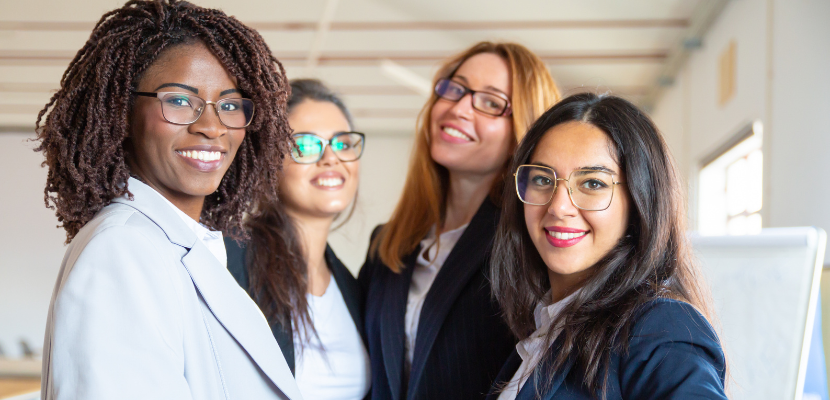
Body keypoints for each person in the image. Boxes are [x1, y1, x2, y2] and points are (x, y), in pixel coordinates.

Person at [36, 1, 301, 399]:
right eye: (179, 100)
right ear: (120, 113)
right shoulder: (122, 251)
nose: (211, 127)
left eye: (229, 105)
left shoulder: (176, 244)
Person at [486, 93, 728, 399]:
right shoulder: (543, 329)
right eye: (543, 179)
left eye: (592, 183)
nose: (559, 207)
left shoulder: (660, 329)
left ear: (640, 201)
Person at [359, 41, 561, 400]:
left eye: (491, 102)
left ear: (524, 133)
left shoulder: (530, 246)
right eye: (455, 89)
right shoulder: (387, 243)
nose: (460, 107)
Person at [225, 79, 370, 400]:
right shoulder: (229, 260)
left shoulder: (356, 288)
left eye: (342, 144)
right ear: (268, 163)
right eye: (305, 145)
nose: (331, 158)